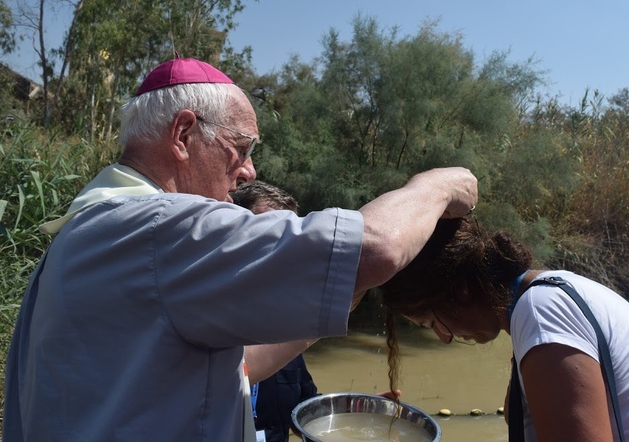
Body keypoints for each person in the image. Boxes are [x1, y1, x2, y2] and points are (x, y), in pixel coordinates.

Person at [2, 57, 478, 441]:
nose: (249, 171)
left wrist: (332, 295)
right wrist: (436, 185)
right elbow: (376, 249)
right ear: (184, 134)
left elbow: (240, 366)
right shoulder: (160, 227)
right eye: (242, 147)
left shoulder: (88, 230)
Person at [379, 217, 629, 441]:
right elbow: (516, 417)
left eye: (433, 322)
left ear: (460, 289)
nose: (444, 338)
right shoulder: (544, 296)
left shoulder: (543, 311)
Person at [231, 180, 318, 442]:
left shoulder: (284, 326)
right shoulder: (200, 322)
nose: (281, 248)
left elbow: (304, 410)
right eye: (268, 233)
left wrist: (353, 415)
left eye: (289, 236)